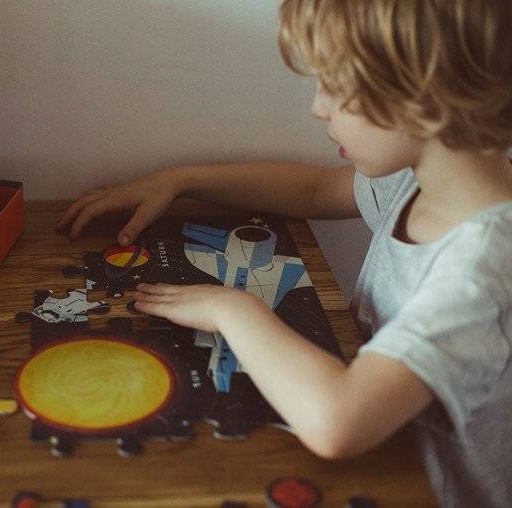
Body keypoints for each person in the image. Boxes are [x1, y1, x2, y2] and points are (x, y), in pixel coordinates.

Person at [56, 0, 512, 505]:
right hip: (389, 455)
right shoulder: (424, 179)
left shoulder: (483, 272)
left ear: (426, 101)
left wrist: (234, 310)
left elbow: (338, 424)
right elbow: (313, 191)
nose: (319, 107)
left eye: (336, 85)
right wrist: (180, 181)